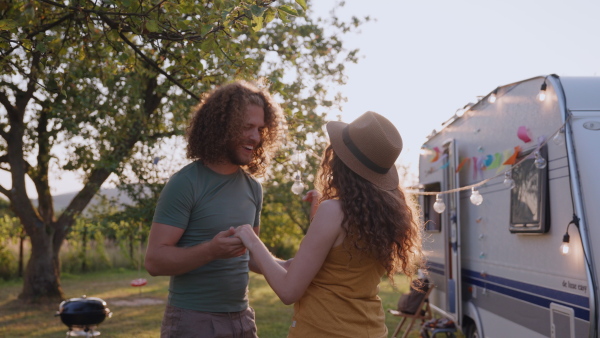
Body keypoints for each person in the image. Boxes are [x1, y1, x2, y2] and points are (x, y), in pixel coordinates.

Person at [234, 111, 424, 337]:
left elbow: (288, 290)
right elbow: (329, 268)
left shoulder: (334, 211)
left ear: (338, 160)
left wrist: (252, 241)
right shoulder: (382, 217)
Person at [144, 81, 285, 338]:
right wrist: (211, 250)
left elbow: (251, 256)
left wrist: (294, 264)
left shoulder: (254, 188)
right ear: (223, 126)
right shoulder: (186, 183)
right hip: (192, 322)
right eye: (247, 127)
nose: (256, 137)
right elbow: (154, 261)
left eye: (260, 129)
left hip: (243, 320)